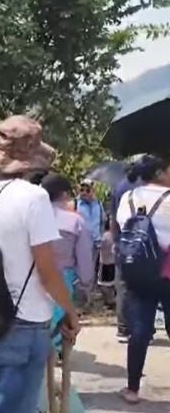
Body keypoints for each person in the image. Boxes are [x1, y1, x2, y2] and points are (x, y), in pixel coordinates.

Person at [0, 116, 79, 413]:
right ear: (31, 160)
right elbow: (47, 269)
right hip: (23, 322)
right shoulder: (34, 198)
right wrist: (69, 310)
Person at [115, 153, 170, 404]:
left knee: (140, 330)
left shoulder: (128, 197)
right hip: (167, 272)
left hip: (136, 271)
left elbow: (121, 227)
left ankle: (132, 389)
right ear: (159, 173)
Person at [41, 173, 95, 352]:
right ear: (64, 194)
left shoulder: (32, 216)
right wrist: (86, 283)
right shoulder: (75, 221)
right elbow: (85, 257)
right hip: (64, 279)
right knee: (60, 323)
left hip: (34, 275)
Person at [111, 155, 149, 342]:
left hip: (123, 242)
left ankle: (123, 329)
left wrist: (115, 241)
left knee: (124, 287)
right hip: (145, 242)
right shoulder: (146, 189)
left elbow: (113, 217)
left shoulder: (119, 187)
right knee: (145, 286)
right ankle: (144, 328)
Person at [76, 179, 106, 265]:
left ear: (93, 191)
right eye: (82, 190)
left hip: (96, 244)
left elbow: (102, 221)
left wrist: (101, 236)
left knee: (92, 271)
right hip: (80, 244)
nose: (84, 193)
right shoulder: (75, 204)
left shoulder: (98, 204)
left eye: (87, 190)